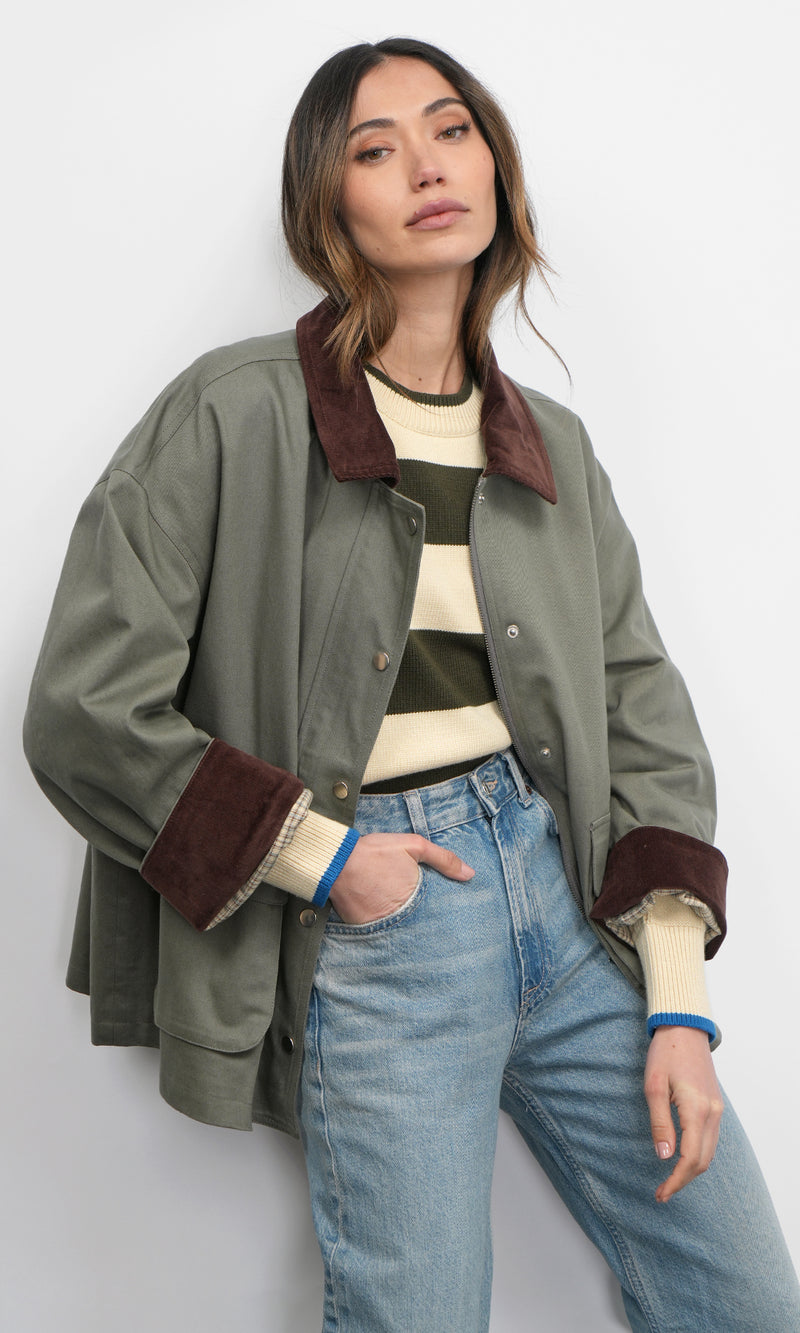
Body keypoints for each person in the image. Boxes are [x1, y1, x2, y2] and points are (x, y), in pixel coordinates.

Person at [23, 35, 799, 1333]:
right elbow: (82, 707)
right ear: (326, 206)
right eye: (375, 150)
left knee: (748, 1299)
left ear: (494, 165)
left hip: (571, 903)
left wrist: (677, 995)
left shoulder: (552, 446)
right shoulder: (233, 411)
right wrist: (327, 858)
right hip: (385, 920)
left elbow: (641, 704)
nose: (427, 167)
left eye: (451, 131)